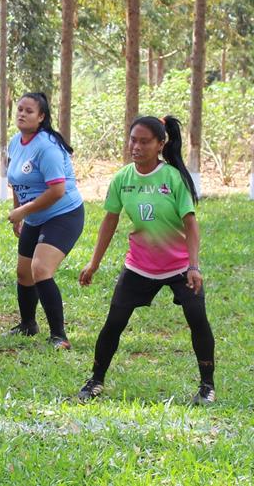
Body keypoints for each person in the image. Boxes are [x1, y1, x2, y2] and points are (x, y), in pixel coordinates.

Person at [77, 116, 215, 405]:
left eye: (144, 141)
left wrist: (194, 266)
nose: (136, 146)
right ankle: (96, 380)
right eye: (133, 140)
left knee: (198, 320)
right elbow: (109, 222)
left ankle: (207, 386)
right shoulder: (122, 179)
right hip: (139, 266)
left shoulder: (172, 178)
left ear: (160, 144)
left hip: (179, 268)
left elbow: (190, 224)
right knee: (114, 322)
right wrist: (94, 263)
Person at [6, 92, 84, 349]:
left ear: (41, 117)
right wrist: (18, 212)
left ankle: (59, 336)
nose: (22, 114)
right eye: (19, 109)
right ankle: (28, 324)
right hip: (34, 215)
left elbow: (57, 191)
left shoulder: (47, 147)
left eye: (29, 111)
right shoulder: (15, 143)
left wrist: (24, 211)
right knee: (23, 273)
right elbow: (16, 181)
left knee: (40, 269)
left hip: (64, 214)